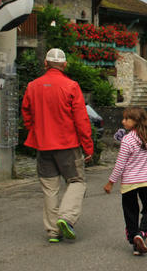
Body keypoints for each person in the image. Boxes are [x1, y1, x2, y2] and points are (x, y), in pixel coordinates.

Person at [21, 48, 94, 243]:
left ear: (45, 64)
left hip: (43, 145)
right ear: (64, 65)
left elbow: (26, 114)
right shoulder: (71, 86)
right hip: (67, 144)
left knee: (50, 187)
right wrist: (88, 146)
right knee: (77, 181)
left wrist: (36, 131)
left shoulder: (32, 86)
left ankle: (53, 231)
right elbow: (81, 120)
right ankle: (66, 218)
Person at [104, 107, 147, 256]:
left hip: (129, 183)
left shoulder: (127, 139)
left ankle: (135, 240)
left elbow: (120, 164)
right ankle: (142, 233)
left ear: (136, 121)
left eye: (127, 119)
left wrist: (111, 182)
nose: (123, 121)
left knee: (130, 212)